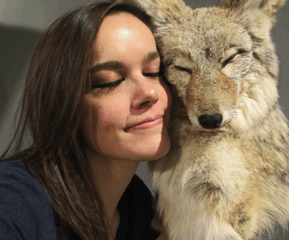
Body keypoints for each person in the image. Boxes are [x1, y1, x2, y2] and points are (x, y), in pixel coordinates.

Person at [0, 1, 171, 240]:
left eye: (153, 71)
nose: (150, 93)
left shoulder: (135, 204)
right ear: (64, 104)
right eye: (110, 81)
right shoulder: (11, 206)